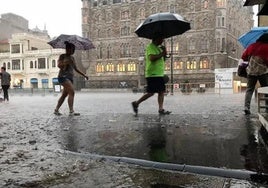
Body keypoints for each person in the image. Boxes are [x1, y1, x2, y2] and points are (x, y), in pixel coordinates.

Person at [131, 37, 171, 115]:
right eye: (161, 39)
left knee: (161, 91)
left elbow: (162, 59)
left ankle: (161, 109)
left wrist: (164, 52)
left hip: (159, 73)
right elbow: (152, 58)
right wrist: (162, 54)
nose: (162, 40)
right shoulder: (150, 47)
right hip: (153, 74)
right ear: (156, 39)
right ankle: (136, 103)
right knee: (151, 92)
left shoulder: (158, 48)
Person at [54, 42, 88, 116]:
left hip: (70, 78)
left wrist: (84, 75)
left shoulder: (72, 58)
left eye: (73, 50)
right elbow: (59, 65)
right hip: (63, 77)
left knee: (64, 95)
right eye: (71, 49)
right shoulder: (62, 56)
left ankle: (56, 110)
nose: (72, 51)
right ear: (67, 49)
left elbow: (76, 68)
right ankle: (71, 111)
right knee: (72, 92)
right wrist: (65, 62)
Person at [241, 33, 268, 115]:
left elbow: (243, 57)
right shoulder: (266, 47)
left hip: (251, 71)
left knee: (249, 90)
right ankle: (267, 107)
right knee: (266, 89)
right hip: (262, 72)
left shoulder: (252, 46)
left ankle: (246, 107)